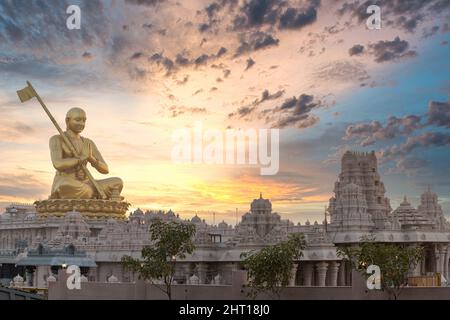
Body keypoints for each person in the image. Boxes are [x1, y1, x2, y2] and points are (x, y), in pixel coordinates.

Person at [49, 107, 123, 199]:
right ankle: (93, 196)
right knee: (79, 189)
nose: (81, 124)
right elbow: (58, 164)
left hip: (88, 182)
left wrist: (91, 158)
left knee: (117, 182)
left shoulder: (88, 143)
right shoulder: (57, 139)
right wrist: (82, 158)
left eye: (84, 120)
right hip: (67, 181)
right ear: (67, 120)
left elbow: (105, 169)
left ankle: (92, 194)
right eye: (78, 120)